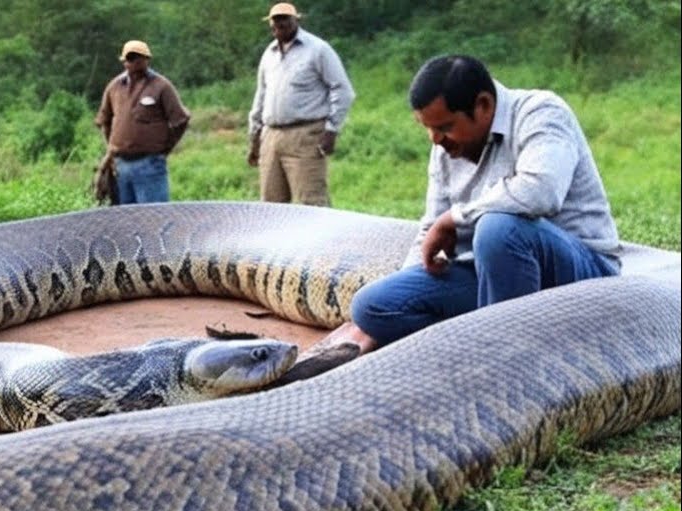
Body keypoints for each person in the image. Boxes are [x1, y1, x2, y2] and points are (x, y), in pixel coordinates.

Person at [305, 54, 621, 369]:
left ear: (483, 105)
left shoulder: (540, 112)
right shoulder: (443, 147)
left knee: (498, 228)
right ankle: (490, 335)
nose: (435, 139)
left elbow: (541, 192)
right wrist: (411, 281)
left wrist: (456, 218)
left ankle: (502, 363)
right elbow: (431, 229)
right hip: (494, 276)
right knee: (371, 306)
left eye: (444, 127)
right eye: (428, 129)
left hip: (579, 271)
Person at [246, 3, 354, 207]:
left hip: (305, 135)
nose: (280, 24)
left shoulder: (318, 49)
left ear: (296, 20)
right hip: (271, 136)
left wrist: (332, 130)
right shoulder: (269, 54)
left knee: (311, 202)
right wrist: (254, 138)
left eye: (285, 19)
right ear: (270, 24)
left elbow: (342, 90)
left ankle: (324, 240)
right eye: (275, 20)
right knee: (270, 206)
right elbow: (260, 96)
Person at [95, 40, 191, 205]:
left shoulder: (161, 86)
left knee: (154, 218)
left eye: (140, 57)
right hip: (121, 166)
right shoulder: (114, 87)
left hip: (150, 164)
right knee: (126, 221)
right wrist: (111, 150)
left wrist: (164, 148)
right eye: (131, 57)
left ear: (147, 59)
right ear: (124, 61)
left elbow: (181, 120)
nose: (136, 61)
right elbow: (105, 120)